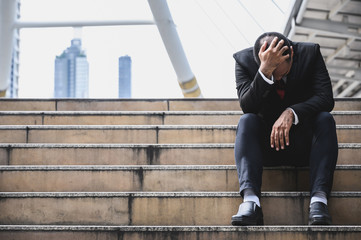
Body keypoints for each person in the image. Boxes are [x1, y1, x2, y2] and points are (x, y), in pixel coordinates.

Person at [231, 32, 338, 226]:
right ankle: (250, 202)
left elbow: (326, 98)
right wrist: (264, 72)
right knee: (246, 120)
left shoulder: (310, 54)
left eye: (282, 70)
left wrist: (292, 112)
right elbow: (248, 106)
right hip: (266, 148)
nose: (278, 76)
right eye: (273, 71)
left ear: (292, 56)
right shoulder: (243, 61)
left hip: (306, 145)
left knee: (325, 119)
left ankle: (319, 201)